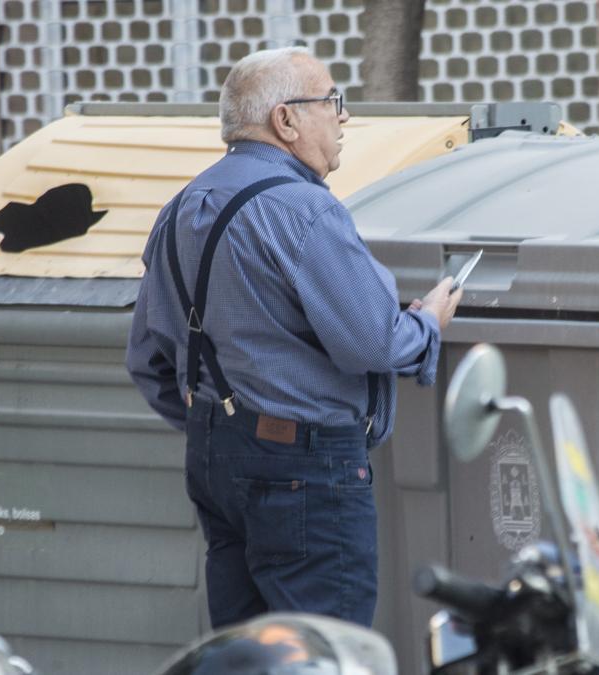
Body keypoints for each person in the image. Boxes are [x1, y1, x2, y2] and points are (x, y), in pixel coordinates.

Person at [126, 46, 461, 629]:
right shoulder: (303, 210)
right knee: (324, 648)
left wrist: (228, 424)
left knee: (250, 653)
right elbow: (372, 343)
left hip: (214, 455)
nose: (343, 117)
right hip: (306, 468)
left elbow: (149, 361)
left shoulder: (179, 208)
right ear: (285, 120)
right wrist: (427, 324)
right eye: (332, 101)